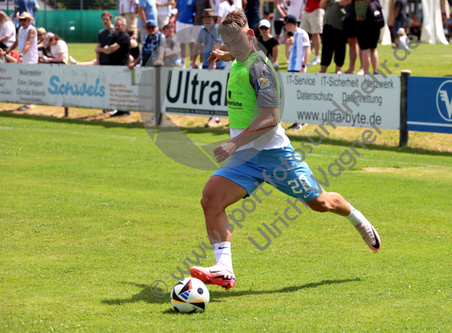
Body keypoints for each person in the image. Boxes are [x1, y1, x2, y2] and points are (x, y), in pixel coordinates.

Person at [188, 9, 381, 291]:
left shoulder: (260, 68)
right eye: (227, 43)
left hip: (275, 156)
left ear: (250, 35)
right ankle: (224, 269)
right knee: (211, 200)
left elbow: (271, 118)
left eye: (236, 42)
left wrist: (233, 143)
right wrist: (224, 54)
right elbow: (239, 54)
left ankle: (358, 219)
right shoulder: (240, 55)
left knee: (320, 203)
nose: (232, 47)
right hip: (246, 159)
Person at [97, 16, 132, 117]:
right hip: (114, 67)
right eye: (116, 25)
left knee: (123, 89)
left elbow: (111, 49)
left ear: (124, 26)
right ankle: (120, 110)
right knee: (117, 90)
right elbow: (108, 48)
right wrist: (107, 49)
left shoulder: (124, 36)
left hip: (122, 67)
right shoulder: (114, 36)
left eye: (119, 25)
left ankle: (126, 110)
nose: (117, 27)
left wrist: (101, 49)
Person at [6, 11, 38, 111]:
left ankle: (30, 103)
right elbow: (16, 42)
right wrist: (8, 50)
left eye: (24, 19)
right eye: (21, 19)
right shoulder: (20, 29)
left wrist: (21, 55)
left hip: (31, 59)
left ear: (29, 20)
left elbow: (29, 42)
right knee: (25, 80)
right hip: (24, 59)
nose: (22, 21)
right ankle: (28, 101)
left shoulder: (31, 29)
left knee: (29, 80)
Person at [318, 0, 346, 74]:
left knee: (340, 49)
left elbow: (348, 2)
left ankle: (338, 69)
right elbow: (321, 5)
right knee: (326, 49)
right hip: (328, 26)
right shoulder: (330, 1)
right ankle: (323, 69)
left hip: (339, 27)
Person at [353, 0, 380, 74]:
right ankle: (375, 71)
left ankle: (366, 72)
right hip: (374, 24)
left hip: (361, 24)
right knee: (373, 49)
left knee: (365, 50)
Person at [340, 0, 362, 74]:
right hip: (349, 17)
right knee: (351, 44)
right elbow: (341, 2)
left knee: (362, 45)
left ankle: (362, 68)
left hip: (361, 18)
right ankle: (351, 69)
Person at [300, 0, 324, 66]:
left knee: (315, 34)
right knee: (301, 33)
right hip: (307, 10)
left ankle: (317, 57)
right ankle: (300, 57)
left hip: (316, 9)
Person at [175, 0, 196, 68]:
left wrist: (194, 24)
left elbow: (195, 12)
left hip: (189, 23)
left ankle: (191, 63)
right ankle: (182, 63)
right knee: (182, 44)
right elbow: (178, 11)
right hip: (179, 22)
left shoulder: (193, 0)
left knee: (191, 45)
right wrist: (175, 22)